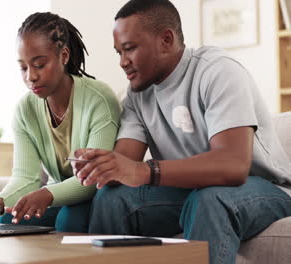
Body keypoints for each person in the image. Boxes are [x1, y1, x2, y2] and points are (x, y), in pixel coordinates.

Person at [71, 0, 291, 263]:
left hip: (263, 189)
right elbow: (125, 163)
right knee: (113, 198)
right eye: (118, 52)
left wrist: (145, 170)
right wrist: (101, 166)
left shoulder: (218, 71)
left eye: (129, 49)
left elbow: (233, 166)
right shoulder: (137, 95)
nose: (122, 62)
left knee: (211, 200)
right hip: (188, 190)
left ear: (166, 39)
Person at [0, 12, 121, 233]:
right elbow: (26, 177)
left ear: (64, 55)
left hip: (98, 194)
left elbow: (93, 178)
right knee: (7, 222)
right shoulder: (25, 110)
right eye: (23, 67)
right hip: (58, 196)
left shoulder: (99, 100)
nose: (31, 76)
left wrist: (47, 194)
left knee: (69, 220)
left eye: (39, 65)